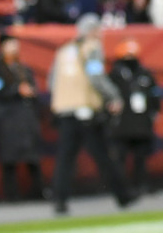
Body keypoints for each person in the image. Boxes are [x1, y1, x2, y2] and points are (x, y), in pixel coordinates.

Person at [48, 13, 133, 214]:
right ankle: (123, 196)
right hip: (85, 110)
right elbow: (96, 77)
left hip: (64, 110)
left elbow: (52, 82)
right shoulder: (91, 48)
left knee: (65, 159)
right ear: (92, 31)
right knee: (103, 155)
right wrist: (113, 97)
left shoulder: (63, 50)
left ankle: (60, 200)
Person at [0, 33, 45, 201]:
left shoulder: (23, 69)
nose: (14, 49)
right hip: (7, 120)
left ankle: (38, 191)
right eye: (11, 45)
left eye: (16, 45)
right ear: (2, 48)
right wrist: (16, 91)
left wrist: (30, 93)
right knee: (9, 159)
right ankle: (11, 194)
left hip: (26, 119)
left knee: (33, 157)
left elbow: (33, 89)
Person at [108, 39, 161, 197]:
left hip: (141, 122)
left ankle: (141, 184)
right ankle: (124, 188)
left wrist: (154, 112)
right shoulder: (115, 75)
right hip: (122, 123)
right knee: (120, 158)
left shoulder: (145, 74)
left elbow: (154, 95)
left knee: (141, 157)